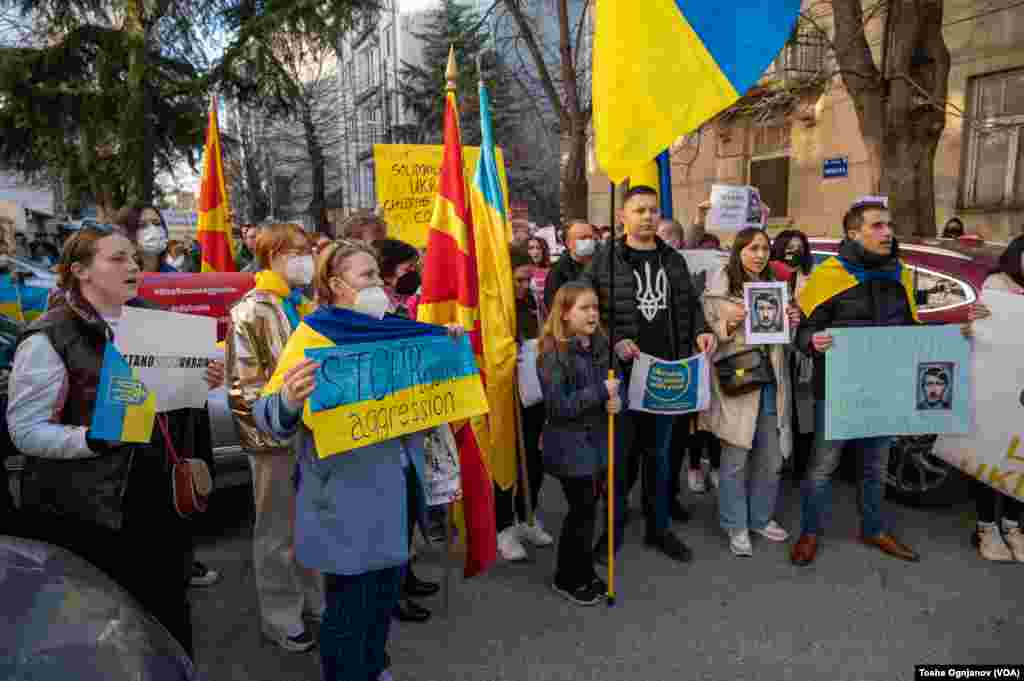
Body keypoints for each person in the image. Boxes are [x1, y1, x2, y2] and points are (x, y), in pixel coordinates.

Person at [7, 225, 222, 657]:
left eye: (133, 258)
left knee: (168, 614)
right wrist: (92, 440)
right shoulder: (51, 337)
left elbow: (170, 406)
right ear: (80, 271)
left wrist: (202, 380)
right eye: (117, 258)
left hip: (160, 501)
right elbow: (25, 431)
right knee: (106, 628)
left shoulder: (155, 321)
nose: (133, 266)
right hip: (93, 510)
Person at [253, 240, 459, 681]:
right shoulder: (314, 336)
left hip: (397, 488)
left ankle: (373, 667)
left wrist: (447, 349)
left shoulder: (393, 329)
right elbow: (267, 416)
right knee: (350, 607)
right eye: (367, 276)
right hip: (347, 498)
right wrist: (289, 399)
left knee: (383, 598)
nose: (378, 285)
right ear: (337, 285)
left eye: (378, 275)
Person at [791, 200, 980, 566]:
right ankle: (810, 533)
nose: (888, 232)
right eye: (877, 225)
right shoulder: (828, 275)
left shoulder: (900, 275)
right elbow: (802, 333)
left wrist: (958, 334)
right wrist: (813, 341)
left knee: (875, 467)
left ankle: (874, 529)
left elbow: (912, 332)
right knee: (822, 468)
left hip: (884, 389)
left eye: (889, 225)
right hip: (837, 390)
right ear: (853, 233)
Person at [585, 185, 717, 564]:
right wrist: (613, 342)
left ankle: (659, 529)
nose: (647, 216)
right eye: (639, 210)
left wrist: (701, 330)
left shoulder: (672, 260)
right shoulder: (605, 261)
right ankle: (611, 531)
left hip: (666, 374)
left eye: (652, 210)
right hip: (624, 375)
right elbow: (586, 312)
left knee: (660, 456)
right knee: (620, 458)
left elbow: (690, 305)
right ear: (622, 217)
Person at [224, 222, 323, 652]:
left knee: (311, 523)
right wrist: (268, 436)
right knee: (276, 531)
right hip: (275, 440)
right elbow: (244, 386)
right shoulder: (252, 310)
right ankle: (281, 616)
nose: (306, 258)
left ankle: (314, 601)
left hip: (313, 434)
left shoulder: (300, 304)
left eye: (308, 249)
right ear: (272, 256)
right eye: (296, 251)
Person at [701, 228, 798, 556]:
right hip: (739, 381)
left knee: (771, 458)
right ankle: (735, 525)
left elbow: (786, 341)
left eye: (765, 249)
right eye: (752, 248)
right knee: (736, 458)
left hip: (771, 382)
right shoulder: (720, 287)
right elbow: (708, 334)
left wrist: (792, 320)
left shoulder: (776, 286)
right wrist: (731, 323)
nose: (759, 255)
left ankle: (760, 517)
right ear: (739, 251)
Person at [537, 281, 620, 605]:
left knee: (589, 510)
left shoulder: (601, 345)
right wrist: (600, 392)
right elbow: (559, 406)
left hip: (598, 441)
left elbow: (617, 384)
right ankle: (567, 576)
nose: (592, 314)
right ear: (565, 313)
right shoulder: (552, 354)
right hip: (569, 445)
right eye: (584, 308)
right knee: (581, 510)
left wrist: (618, 401)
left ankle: (583, 569)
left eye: (595, 307)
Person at [373, 236, 441, 622]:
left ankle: (406, 575)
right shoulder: (376, 309)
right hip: (389, 420)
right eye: (407, 267)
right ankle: (393, 590)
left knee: (411, 500)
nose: (414, 274)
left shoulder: (400, 304)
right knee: (395, 510)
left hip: (409, 415)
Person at [496, 249, 554, 562]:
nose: (524, 285)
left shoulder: (533, 301)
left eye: (528, 279)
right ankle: (503, 527)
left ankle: (527, 516)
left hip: (533, 392)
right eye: (518, 279)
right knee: (506, 461)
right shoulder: (493, 306)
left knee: (532, 459)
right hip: (505, 394)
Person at [971, 235, 1024, 561]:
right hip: (997, 386)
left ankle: (1013, 526)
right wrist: (974, 324)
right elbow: (982, 335)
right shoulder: (996, 285)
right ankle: (986, 527)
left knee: (1021, 459)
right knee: (992, 458)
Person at [769, 229, 816, 482]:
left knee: (803, 412)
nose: (794, 251)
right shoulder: (770, 275)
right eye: (789, 246)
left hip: (802, 353)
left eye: (799, 247)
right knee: (779, 408)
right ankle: (777, 460)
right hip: (776, 352)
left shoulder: (813, 277)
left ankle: (801, 464)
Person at [545, 221, 596, 309]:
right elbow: (555, 306)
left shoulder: (602, 264)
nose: (588, 241)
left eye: (591, 237)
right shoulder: (558, 271)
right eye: (583, 238)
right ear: (568, 243)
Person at [375, 238, 422, 320]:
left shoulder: (410, 296)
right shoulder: (378, 300)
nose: (414, 272)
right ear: (387, 271)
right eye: (407, 269)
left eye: (415, 267)